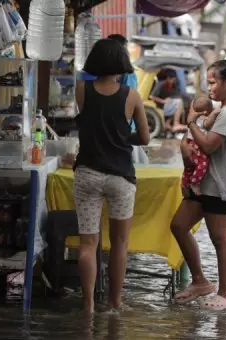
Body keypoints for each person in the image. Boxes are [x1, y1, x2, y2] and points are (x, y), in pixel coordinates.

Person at [170, 60, 226, 310]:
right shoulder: (222, 110)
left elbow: (208, 145)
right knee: (178, 225)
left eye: (212, 82)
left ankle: (225, 294)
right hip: (204, 185)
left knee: (220, 239)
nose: (208, 87)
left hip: (221, 187)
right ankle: (200, 281)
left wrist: (190, 123)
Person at [73, 38, 150, 314]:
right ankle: (115, 303)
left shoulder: (81, 90)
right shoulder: (132, 96)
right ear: (121, 64)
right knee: (119, 244)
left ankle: (88, 306)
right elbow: (144, 137)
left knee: (88, 244)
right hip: (120, 177)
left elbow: (91, 123)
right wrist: (122, 137)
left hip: (87, 174)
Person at [181, 95, 219, 196]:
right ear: (206, 112)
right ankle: (194, 182)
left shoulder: (192, 117)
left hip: (190, 143)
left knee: (189, 167)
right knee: (203, 164)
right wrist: (215, 114)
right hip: (197, 145)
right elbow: (208, 125)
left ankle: (185, 182)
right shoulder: (204, 119)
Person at [150, 68, 186, 133]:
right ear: (168, 78)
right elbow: (152, 96)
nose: (174, 81)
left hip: (165, 106)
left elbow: (175, 94)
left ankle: (167, 123)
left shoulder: (171, 85)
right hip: (159, 107)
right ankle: (176, 124)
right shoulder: (161, 84)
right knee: (179, 102)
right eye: (173, 79)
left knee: (179, 104)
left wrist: (170, 99)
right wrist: (163, 101)